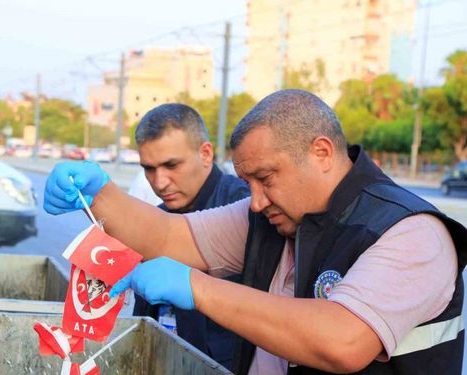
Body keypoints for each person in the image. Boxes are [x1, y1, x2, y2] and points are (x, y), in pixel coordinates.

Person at [43, 89, 467, 375]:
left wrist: (197, 288)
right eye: (248, 183)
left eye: (266, 177)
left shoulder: (409, 231)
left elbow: (342, 339)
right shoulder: (270, 217)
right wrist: (99, 193)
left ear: (320, 152)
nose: (257, 200)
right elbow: (170, 237)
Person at [130, 103, 250, 370]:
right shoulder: (157, 218)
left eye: (171, 165)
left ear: (206, 154)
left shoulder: (248, 208)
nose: (159, 182)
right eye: (149, 169)